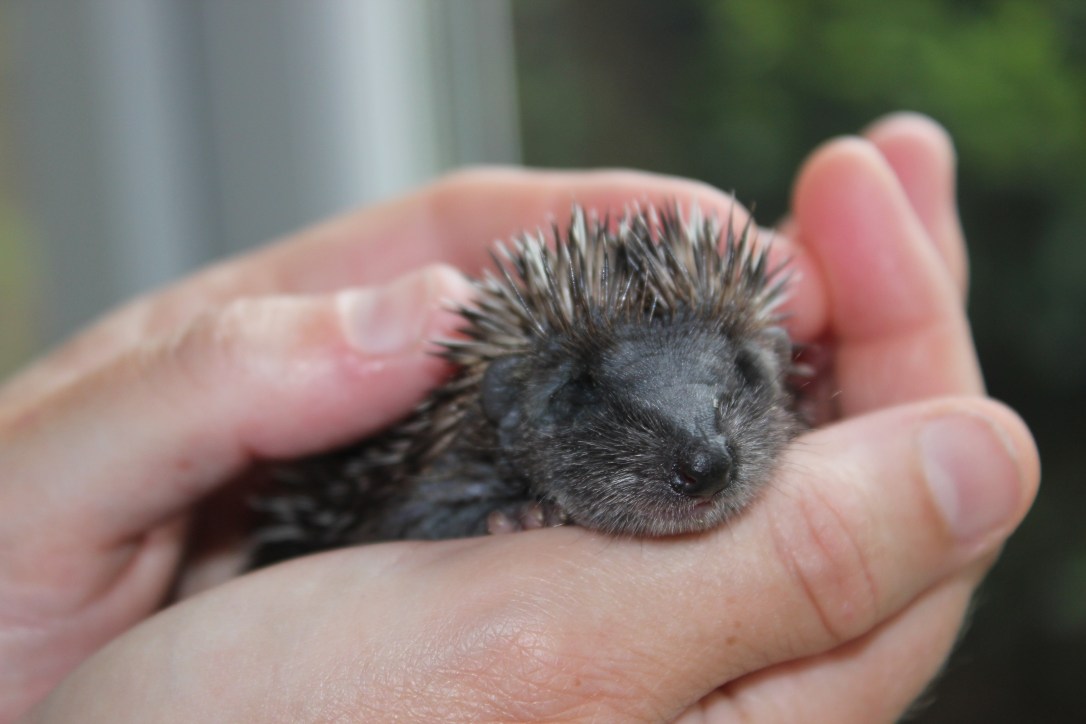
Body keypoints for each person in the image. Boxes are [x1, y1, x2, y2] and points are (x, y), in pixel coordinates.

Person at [1, 113, 1038, 722]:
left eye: (740, 381)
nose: (706, 452)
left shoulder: (763, 401)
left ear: (772, 362)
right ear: (516, 408)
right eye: (600, 403)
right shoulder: (453, 465)